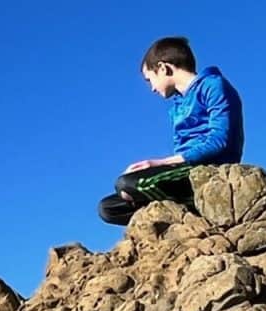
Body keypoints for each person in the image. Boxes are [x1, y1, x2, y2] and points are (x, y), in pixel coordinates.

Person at [99, 37, 244, 226]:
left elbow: (219, 141)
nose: (151, 88)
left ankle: (192, 207)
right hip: (184, 170)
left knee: (128, 184)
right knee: (108, 208)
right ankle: (180, 204)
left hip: (211, 167)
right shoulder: (176, 106)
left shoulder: (214, 86)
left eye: (150, 79)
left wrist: (159, 163)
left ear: (163, 68)